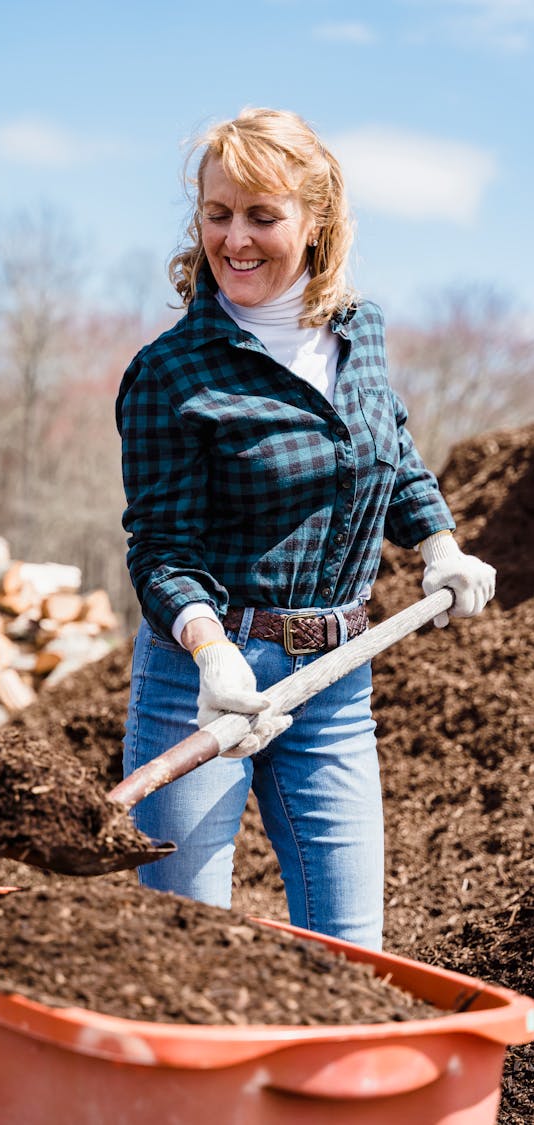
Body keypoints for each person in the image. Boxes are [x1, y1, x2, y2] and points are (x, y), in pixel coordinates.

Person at [116, 107, 495, 950]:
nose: (236, 239)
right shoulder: (172, 373)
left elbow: (389, 452)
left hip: (337, 677)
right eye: (218, 214)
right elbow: (162, 548)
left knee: (351, 946)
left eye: (262, 215)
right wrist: (212, 653)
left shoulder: (361, 334)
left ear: (316, 222)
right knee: (182, 948)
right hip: (203, 682)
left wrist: (439, 542)